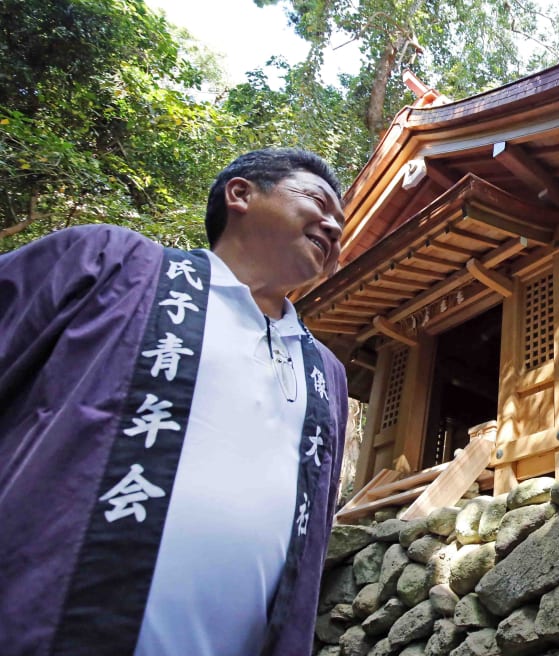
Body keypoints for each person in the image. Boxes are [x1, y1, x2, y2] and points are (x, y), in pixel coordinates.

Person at [0, 148, 351, 655]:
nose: (334, 227)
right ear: (240, 194)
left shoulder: (327, 373)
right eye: (318, 202)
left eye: (342, 221)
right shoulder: (113, 264)